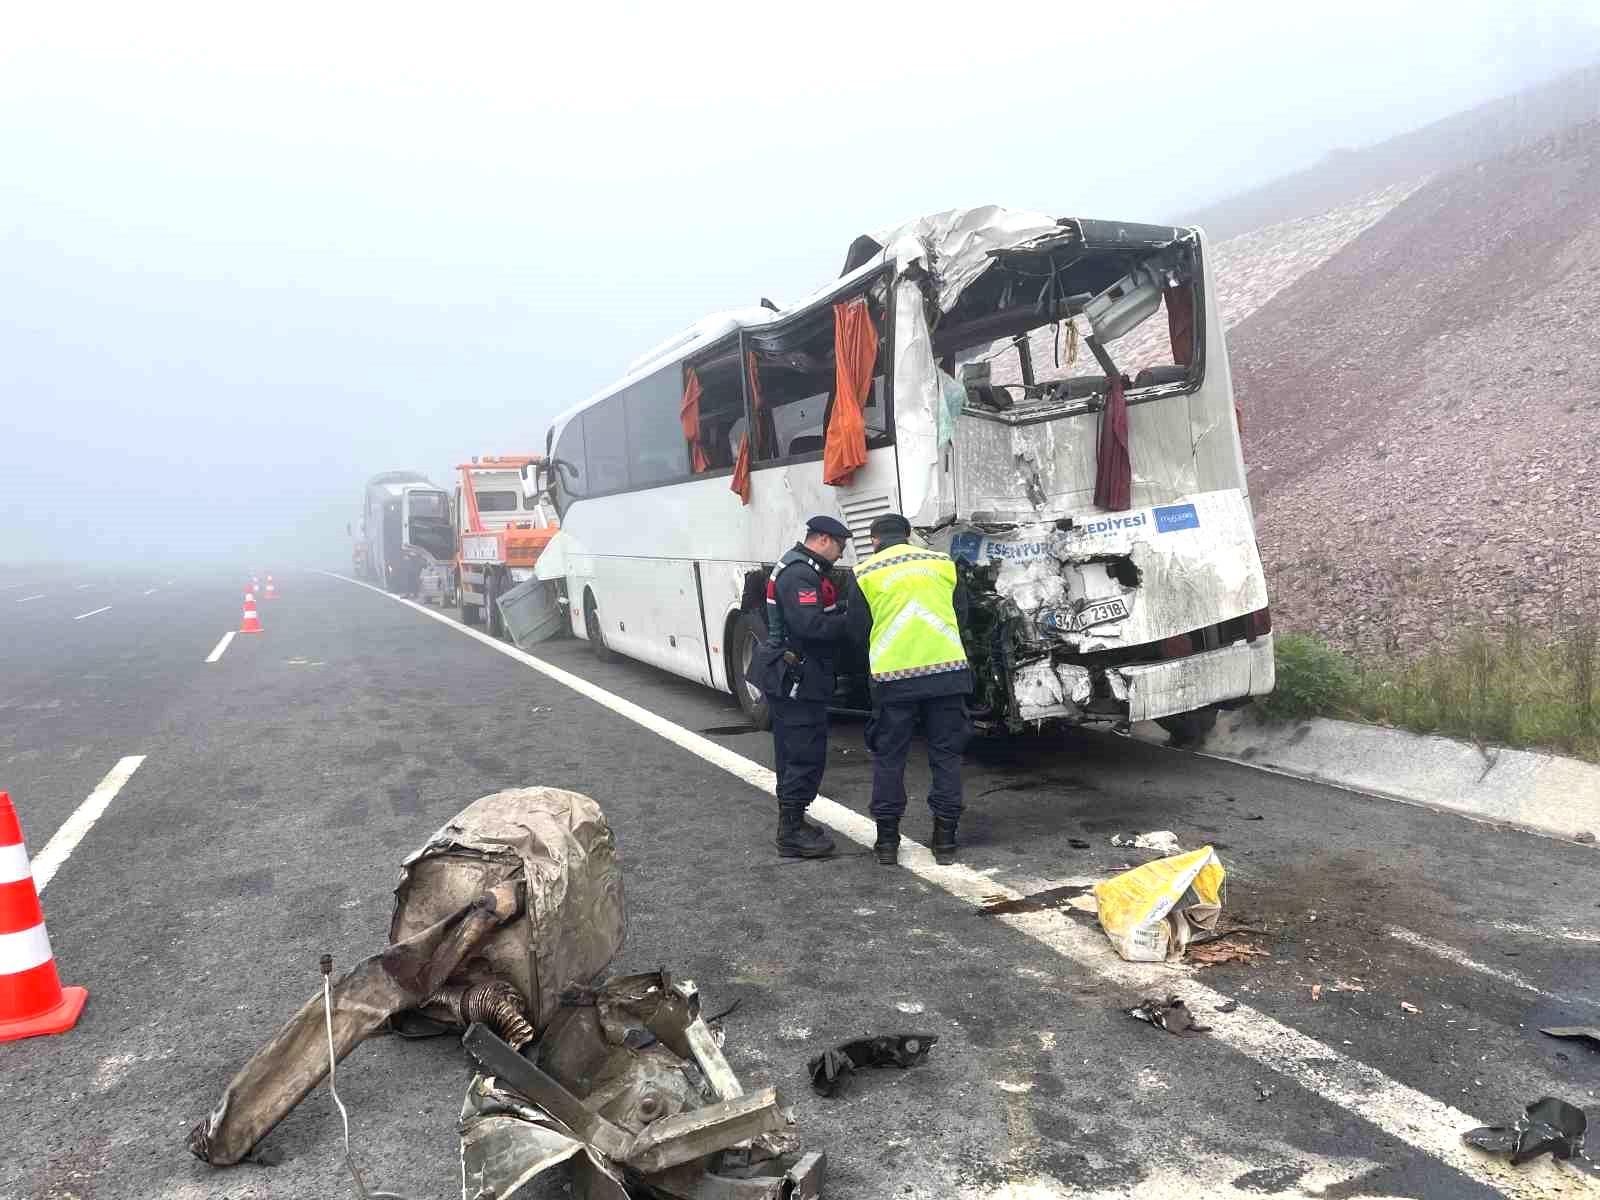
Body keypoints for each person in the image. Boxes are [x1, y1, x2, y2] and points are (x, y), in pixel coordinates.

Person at [853, 513, 972, 866]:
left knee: (890, 758)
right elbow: (962, 616)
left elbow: (857, 631)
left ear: (875, 540)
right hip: (947, 674)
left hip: (893, 679)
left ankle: (887, 843)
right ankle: (945, 842)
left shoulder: (865, 573)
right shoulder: (942, 564)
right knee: (946, 756)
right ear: (908, 536)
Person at [751, 515, 853, 858]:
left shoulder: (800, 567)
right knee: (803, 752)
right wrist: (849, 620)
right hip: (796, 677)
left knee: (793, 750)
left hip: (793, 674)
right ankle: (791, 831)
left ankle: (793, 822)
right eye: (840, 545)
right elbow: (810, 626)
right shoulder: (800, 574)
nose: (841, 554)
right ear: (823, 539)